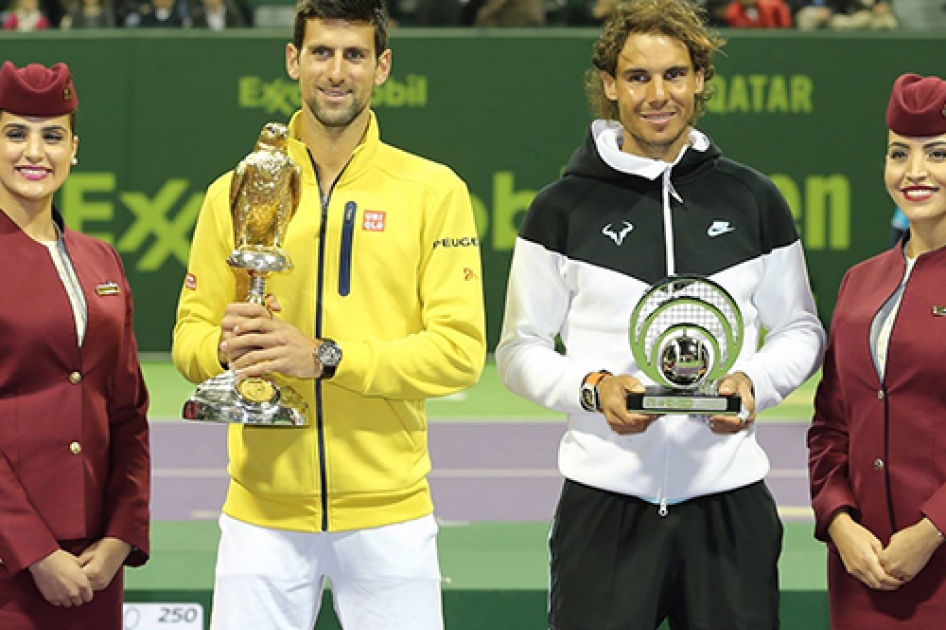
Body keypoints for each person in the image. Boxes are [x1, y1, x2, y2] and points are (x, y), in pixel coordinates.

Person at [495, 1, 825, 628]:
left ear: (700, 78)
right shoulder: (560, 208)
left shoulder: (754, 199)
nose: (658, 94)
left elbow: (800, 328)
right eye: (638, 77)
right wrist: (591, 389)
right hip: (605, 508)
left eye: (674, 74)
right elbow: (518, 348)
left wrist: (755, 383)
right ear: (610, 85)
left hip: (729, 505)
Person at [171, 1, 486, 629]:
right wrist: (228, 351)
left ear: (382, 66)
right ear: (294, 60)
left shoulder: (433, 191)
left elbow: (458, 353)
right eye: (321, 52)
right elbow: (189, 338)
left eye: (354, 55)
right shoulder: (235, 190)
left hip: (390, 516)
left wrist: (325, 357)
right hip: (260, 516)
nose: (336, 71)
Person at [0, 61, 151, 630]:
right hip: (11, 571)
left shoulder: (100, 259)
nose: (33, 152)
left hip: (95, 571)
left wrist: (120, 535)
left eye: (51, 135)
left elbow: (129, 414)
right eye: (16, 133)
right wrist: (34, 552)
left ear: (74, 148)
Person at [808, 73, 946, 630]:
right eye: (899, 154)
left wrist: (930, 531)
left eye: (937, 154)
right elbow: (830, 425)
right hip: (863, 574)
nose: (914, 173)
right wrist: (838, 520)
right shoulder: (859, 281)